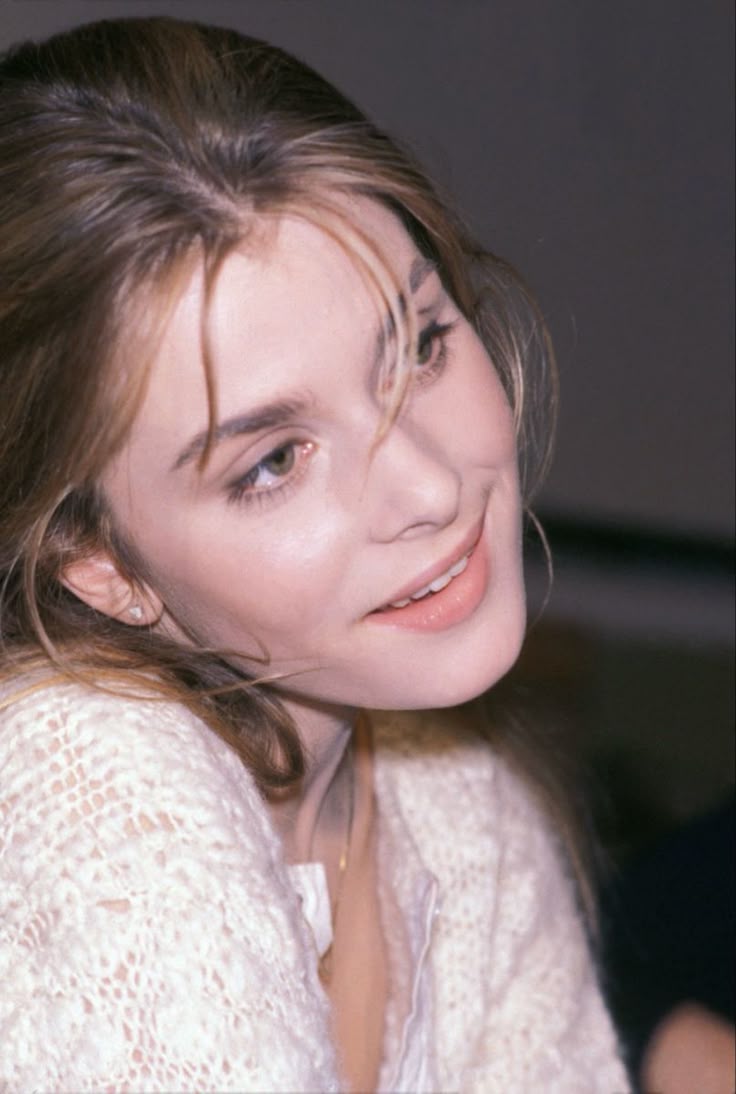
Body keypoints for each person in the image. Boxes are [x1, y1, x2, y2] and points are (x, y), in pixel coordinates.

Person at [0, 16, 629, 1092]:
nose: (432, 488)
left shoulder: (456, 800)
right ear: (100, 564)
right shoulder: (92, 804)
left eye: (418, 348)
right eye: (275, 461)